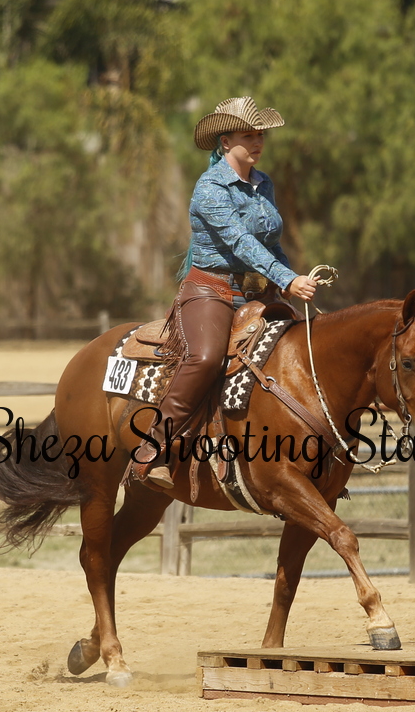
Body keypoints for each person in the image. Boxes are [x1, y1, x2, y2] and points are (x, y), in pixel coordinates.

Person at [130, 97, 321, 491]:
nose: (258, 142)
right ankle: (153, 448)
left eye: (261, 134)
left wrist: (287, 278)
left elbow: (270, 243)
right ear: (225, 141)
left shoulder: (263, 183)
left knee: (307, 347)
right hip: (211, 290)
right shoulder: (210, 187)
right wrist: (287, 279)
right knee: (205, 358)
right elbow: (240, 242)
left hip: (258, 292)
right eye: (248, 135)